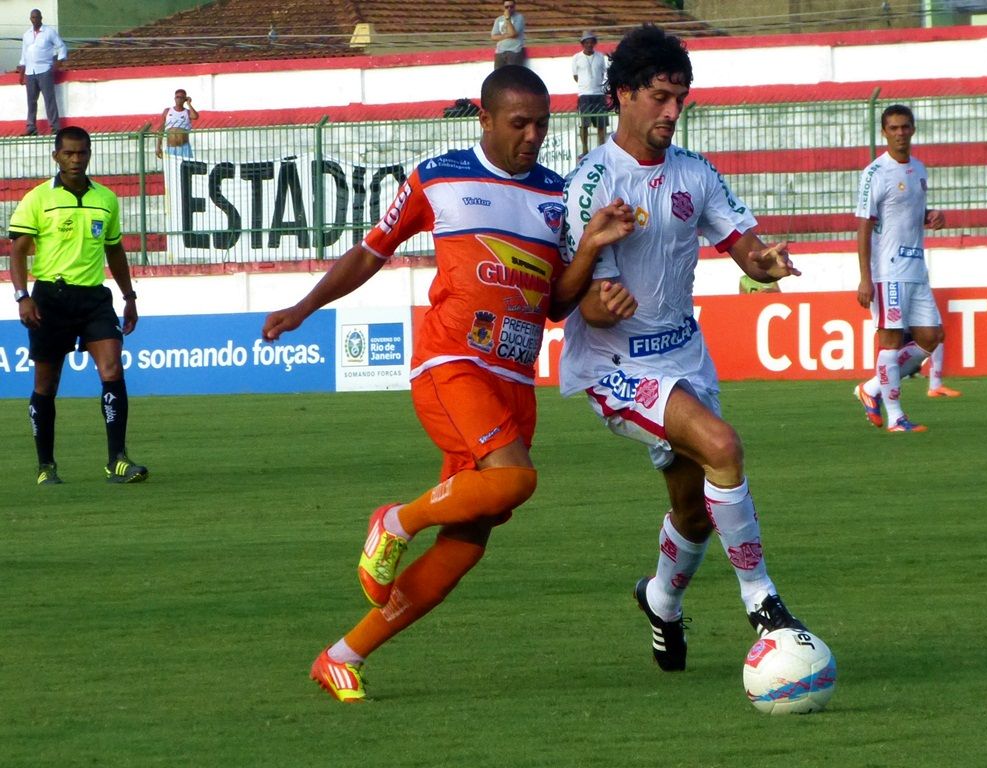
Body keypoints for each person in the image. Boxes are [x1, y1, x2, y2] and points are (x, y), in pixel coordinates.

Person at [261, 65, 632, 702]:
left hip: (513, 377)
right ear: (484, 119)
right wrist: (303, 308)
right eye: (519, 123)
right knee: (516, 477)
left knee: (468, 543)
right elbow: (369, 251)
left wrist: (592, 245)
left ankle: (342, 655)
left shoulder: (559, 195)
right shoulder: (438, 177)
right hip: (451, 364)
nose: (533, 136)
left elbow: (554, 305)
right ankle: (395, 521)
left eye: (542, 123)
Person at [558, 24, 807, 674]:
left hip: (684, 360)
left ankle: (662, 599)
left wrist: (767, 260)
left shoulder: (695, 173)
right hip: (616, 366)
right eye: (662, 97)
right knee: (723, 446)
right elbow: (579, 296)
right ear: (623, 95)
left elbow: (743, 245)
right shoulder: (590, 182)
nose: (673, 111)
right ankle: (763, 601)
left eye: (681, 98)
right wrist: (596, 300)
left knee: (694, 514)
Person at [8, 126, 149, 485]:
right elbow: (19, 251)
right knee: (46, 383)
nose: (75, 159)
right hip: (50, 299)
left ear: (89, 154)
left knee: (112, 369)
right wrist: (22, 296)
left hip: (94, 298)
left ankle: (117, 460)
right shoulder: (38, 199)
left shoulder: (105, 198)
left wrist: (129, 297)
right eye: (68, 153)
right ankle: (45, 466)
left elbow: (114, 249)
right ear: (56, 156)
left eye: (81, 153)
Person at [853, 104, 962, 435]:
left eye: (905, 127)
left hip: (917, 267)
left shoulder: (919, 168)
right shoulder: (875, 172)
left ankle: (871, 388)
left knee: (932, 337)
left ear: (913, 130)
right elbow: (863, 226)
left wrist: (932, 215)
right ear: (884, 132)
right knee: (890, 341)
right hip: (888, 271)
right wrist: (865, 278)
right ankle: (896, 416)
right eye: (893, 128)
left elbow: (913, 209)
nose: (900, 132)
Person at [17, 8, 67, 136]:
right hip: (30, 72)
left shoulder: (49, 32)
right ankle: (31, 128)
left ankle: (55, 128)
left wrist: (59, 62)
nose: (35, 19)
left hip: (45, 70)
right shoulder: (26, 34)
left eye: (37, 17)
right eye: (33, 17)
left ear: (41, 18)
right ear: (30, 19)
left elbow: (61, 46)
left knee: (49, 99)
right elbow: (24, 54)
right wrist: (22, 72)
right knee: (31, 101)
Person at [572, 31, 608, 155]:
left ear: (594, 43)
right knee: (584, 125)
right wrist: (585, 85)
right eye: (586, 42)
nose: (589, 44)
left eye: (591, 42)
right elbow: (575, 76)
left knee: (601, 124)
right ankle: (585, 149)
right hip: (584, 95)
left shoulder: (600, 56)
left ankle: (602, 149)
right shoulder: (576, 57)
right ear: (583, 44)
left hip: (599, 94)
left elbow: (604, 73)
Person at [156, 89, 200, 159]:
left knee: (185, 169)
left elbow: (195, 116)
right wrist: (158, 147)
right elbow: (161, 129)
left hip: (184, 147)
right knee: (170, 169)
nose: (179, 99)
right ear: (174, 98)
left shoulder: (187, 112)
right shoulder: (167, 111)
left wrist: (189, 103)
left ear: (185, 99)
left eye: (182, 97)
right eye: (177, 97)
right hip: (170, 148)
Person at [490, 0, 525, 68]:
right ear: (503, 7)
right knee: (498, 74)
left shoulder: (519, 17)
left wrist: (507, 18)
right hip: (500, 52)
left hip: (514, 51)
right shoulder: (498, 19)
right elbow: (493, 37)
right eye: (507, 7)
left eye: (511, 7)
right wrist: (507, 35)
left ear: (514, 7)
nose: (509, 9)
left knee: (513, 74)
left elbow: (513, 34)